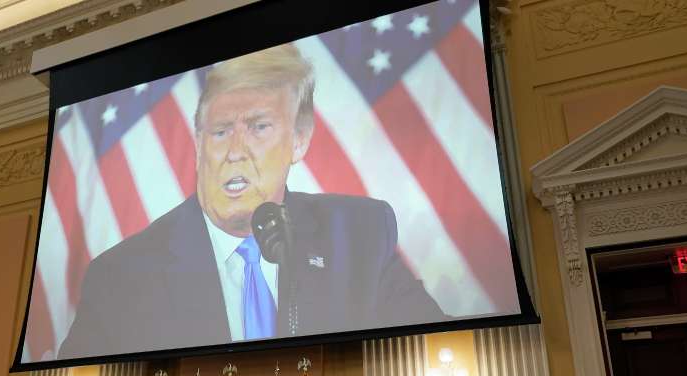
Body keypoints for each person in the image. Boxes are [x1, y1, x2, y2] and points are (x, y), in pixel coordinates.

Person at [58, 43, 444, 359]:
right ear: (198, 143)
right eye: (222, 131)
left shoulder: (359, 234)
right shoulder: (122, 276)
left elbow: (430, 342)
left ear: (300, 138)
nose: (235, 151)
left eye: (259, 127)